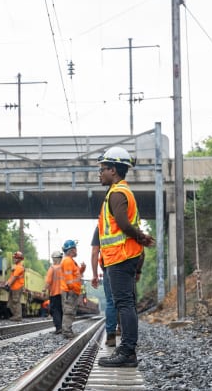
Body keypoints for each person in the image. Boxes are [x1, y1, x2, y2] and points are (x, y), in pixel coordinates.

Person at [95, 147, 155, 367]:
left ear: (113, 170)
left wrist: (140, 237)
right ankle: (127, 350)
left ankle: (128, 352)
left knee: (124, 303)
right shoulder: (121, 191)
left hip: (120, 257)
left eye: (103, 169)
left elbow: (121, 223)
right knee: (126, 303)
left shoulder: (117, 193)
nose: (100, 173)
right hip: (121, 257)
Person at [90, 227, 119, 346]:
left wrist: (95, 275)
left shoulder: (101, 226)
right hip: (126, 265)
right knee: (127, 301)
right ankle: (128, 337)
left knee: (111, 302)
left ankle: (111, 336)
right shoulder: (127, 219)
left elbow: (94, 252)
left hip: (110, 266)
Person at [58, 239, 86, 338]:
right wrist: (72, 289)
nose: (76, 250)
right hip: (70, 291)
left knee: (70, 311)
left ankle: (68, 330)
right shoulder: (68, 261)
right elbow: (69, 279)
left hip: (71, 291)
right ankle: (67, 332)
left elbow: (77, 274)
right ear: (71, 250)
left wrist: (82, 269)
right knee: (69, 311)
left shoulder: (71, 261)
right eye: (75, 248)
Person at [44, 250, 64, 333]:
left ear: (55, 259)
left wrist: (44, 289)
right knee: (61, 310)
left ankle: (58, 328)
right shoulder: (64, 268)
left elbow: (48, 281)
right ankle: (63, 327)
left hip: (55, 293)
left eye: (53, 258)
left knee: (54, 311)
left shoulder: (52, 268)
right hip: (64, 293)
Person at [4, 251, 26, 321]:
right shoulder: (16, 267)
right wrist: (7, 283)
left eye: (16, 258)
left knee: (16, 301)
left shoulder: (19, 267)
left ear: (20, 259)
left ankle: (18, 316)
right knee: (11, 302)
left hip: (17, 287)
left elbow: (14, 277)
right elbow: (12, 276)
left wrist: (8, 284)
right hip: (14, 287)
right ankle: (15, 315)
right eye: (14, 258)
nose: (14, 259)